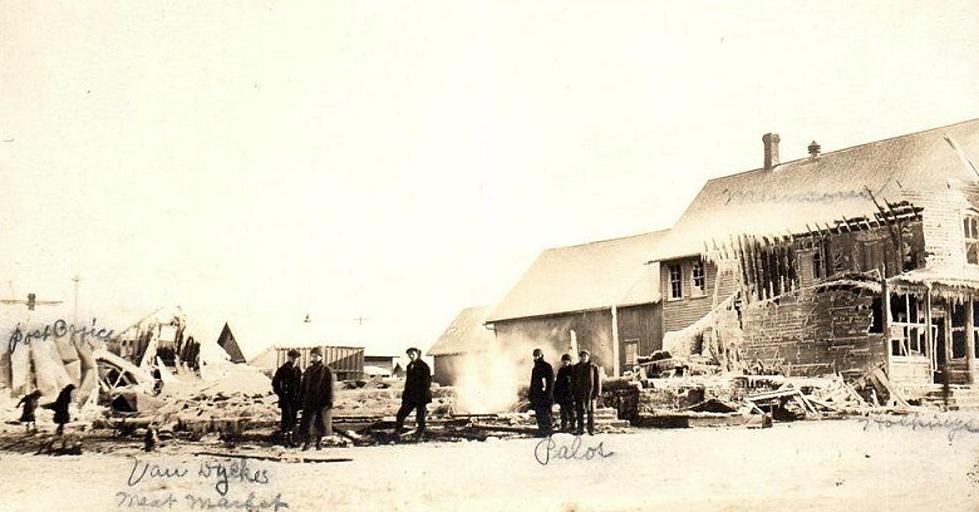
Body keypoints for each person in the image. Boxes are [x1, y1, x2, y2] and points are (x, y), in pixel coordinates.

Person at [298, 347, 334, 450]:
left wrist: (330, 400)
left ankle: (319, 443)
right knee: (308, 423)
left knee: (320, 424)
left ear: (321, 357)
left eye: (316, 356)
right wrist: (301, 398)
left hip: (321, 401)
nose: (314, 358)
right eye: (312, 356)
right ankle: (307, 443)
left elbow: (330, 387)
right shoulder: (309, 370)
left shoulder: (326, 370)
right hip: (309, 401)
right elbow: (303, 385)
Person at [395, 347, 431, 441]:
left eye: (413, 354)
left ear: (417, 354)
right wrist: (405, 395)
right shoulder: (409, 366)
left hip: (420, 396)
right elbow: (408, 383)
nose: (411, 356)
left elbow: (427, 383)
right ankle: (397, 432)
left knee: (420, 417)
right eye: (409, 354)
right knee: (401, 414)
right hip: (410, 396)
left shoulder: (424, 366)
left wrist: (422, 395)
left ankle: (420, 435)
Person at [272, 349, 303, 447]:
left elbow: (299, 385)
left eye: (297, 358)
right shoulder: (282, 369)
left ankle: (291, 440)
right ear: (289, 357)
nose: (295, 360)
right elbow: (275, 384)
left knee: (293, 419)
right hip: (286, 399)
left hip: (295, 400)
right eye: (293, 358)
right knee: (286, 418)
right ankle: (284, 440)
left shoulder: (298, 370)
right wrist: (282, 395)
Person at [571, 350, 602, 436]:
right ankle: (580, 430)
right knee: (579, 412)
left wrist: (597, 393)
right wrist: (573, 392)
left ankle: (591, 430)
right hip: (579, 393)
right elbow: (573, 381)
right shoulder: (576, 367)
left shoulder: (593, 367)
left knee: (590, 413)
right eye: (582, 356)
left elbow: (597, 381)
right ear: (579, 357)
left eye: (585, 356)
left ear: (588, 357)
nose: (583, 358)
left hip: (590, 394)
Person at [529, 348, 554, 437]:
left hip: (545, 395)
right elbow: (533, 383)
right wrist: (531, 394)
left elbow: (550, 383)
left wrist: (548, 395)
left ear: (541, 355)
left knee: (546, 414)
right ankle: (542, 430)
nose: (536, 357)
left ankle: (548, 431)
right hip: (537, 395)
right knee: (539, 414)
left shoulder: (547, 367)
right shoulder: (535, 368)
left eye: (537, 355)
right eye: (535, 356)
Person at [553, 354, 575, 433]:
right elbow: (557, 383)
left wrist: (573, 394)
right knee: (563, 412)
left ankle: (573, 426)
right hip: (562, 395)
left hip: (569, 394)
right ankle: (564, 426)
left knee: (571, 412)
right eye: (564, 361)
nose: (565, 362)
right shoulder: (561, 370)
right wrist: (556, 394)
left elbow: (574, 383)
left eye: (567, 361)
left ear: (569, 361)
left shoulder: (572, 370)